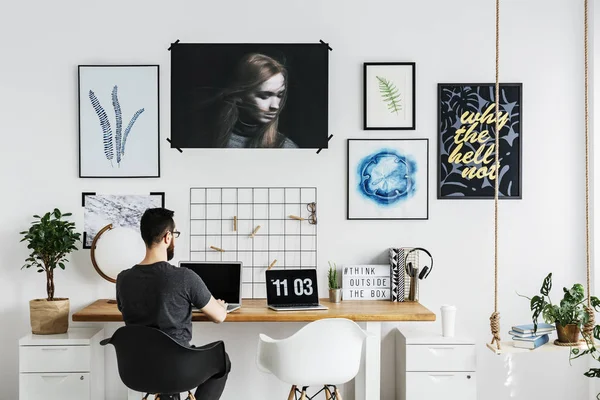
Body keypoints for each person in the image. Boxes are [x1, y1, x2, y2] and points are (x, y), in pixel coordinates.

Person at [116, 208, 231, 400]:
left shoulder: (123, 279)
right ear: (168, 237)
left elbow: (125, 310)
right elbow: (219, 317)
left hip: (138, 369)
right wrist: (221, 307)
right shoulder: (184, 277)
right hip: (178, 370)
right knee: (222, 361)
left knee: (167, 358)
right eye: (174, 234)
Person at [212, 53, 298, 148]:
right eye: (264, 96)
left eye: (279, 95)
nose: (275, 106)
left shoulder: (286, 148)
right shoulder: (208, 139)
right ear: (240, 95)